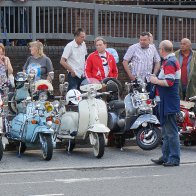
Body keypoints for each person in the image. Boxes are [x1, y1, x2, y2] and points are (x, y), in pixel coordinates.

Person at [150, 40, 181, 167]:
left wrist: (155, 80)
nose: (159, 50)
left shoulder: (169, 62)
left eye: (159, 49)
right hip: (167, 101)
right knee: (166, 132)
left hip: (168, 101)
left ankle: (173, 158)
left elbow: (169, 82)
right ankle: (166, 156)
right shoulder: (170, 61)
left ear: (162, 49)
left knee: (171, 131)